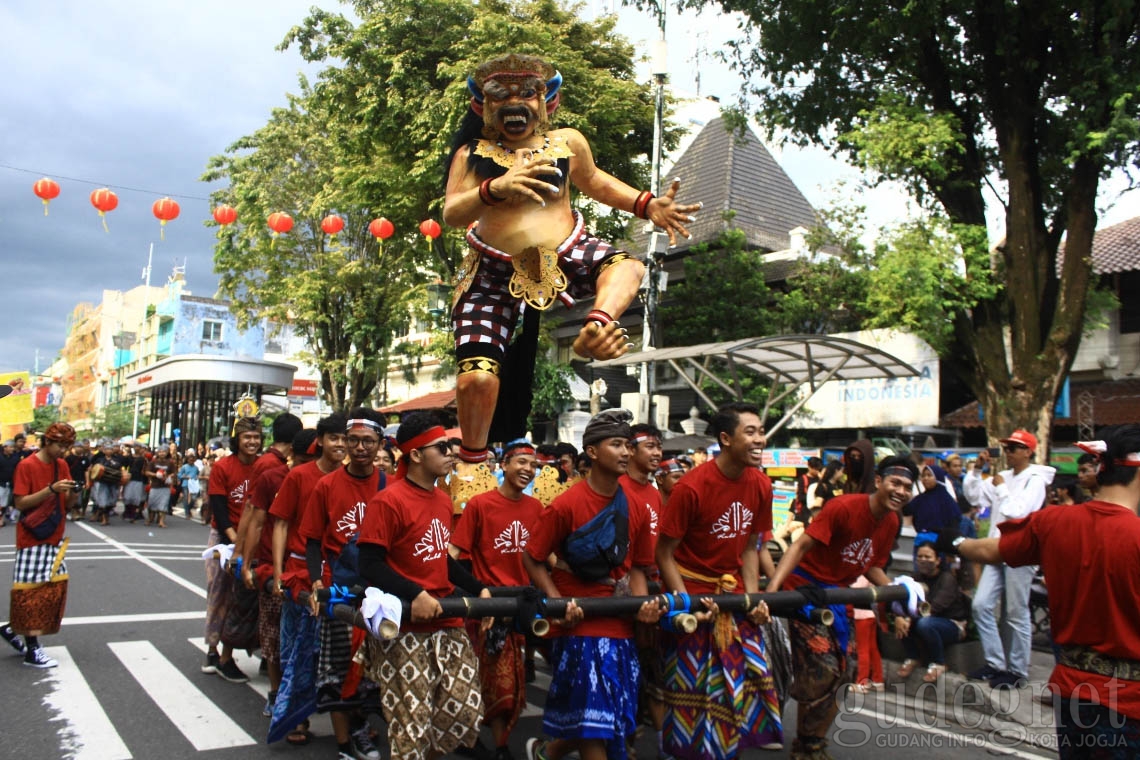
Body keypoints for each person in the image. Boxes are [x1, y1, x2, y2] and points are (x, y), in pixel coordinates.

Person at [442, 52, 698, 466]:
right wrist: (497, 187)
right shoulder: (472, 153)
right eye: (500, 94)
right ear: (483, 106)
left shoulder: (566, 142)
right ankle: (473, 465)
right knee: (477, 377)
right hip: (490, 273)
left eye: (528, 93)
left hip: (564, 252)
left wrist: (645, 205)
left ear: (549, 101)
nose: (515, 103)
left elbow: (595, 182)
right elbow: (453, 214)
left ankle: (595, 329)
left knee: (627, 266)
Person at [939, 425, 1140, 758]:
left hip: (1072, 692)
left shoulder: (1053, 522)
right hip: (1128, 702)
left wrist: (955, 542)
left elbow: (990, 550)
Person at [522, 409, 661, 760]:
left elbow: (640, 569)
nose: (627, 452)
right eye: (617, 445)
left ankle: (545, 754)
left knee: (608, 723)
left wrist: (641, 607)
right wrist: (556, 602)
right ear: (593, 452)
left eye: (628, 445)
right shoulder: (566, 505)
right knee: (593, 727)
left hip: (621, 628)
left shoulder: (638, 507)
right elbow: (533, 558)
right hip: (580, 627)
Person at [356, 411, 490, 760]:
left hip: (447, 621)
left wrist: (479, 589)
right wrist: (415, 593)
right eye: (442, 447)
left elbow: (439, 559)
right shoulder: (389, 500)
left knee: (462, 713)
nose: (452, 453)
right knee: (412, 725)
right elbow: (369, 563)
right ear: (415, 454)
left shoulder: (443, 500)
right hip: (405, 628)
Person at [767, 456, 919, 760]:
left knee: (846, 673)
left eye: (907, 486)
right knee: (822, 670)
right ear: (878, 481)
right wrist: (772, 594)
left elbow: (873, 566)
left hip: (837, 597)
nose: (901, 491)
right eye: (895, 482)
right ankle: (804, 742)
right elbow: (800, 546)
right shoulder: (844, 507)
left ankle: (814, 742)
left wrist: (899, 600)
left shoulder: (891, 521)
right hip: (804, 592)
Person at [656, 402, 782, 759]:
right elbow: (663, 554)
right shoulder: (691, 487)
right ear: (726, 439)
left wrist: (754, 599)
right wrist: (685, 606)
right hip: (693, 598)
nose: (760, 439)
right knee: (693, 698)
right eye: (751, 432)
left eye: (761, 431)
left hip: (732, 598)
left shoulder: (760, 485)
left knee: (743, 689)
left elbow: (749, 548)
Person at [449, 439, 544, 760]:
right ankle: (471, 738)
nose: (527, 470)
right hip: (484, 607)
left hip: (519, 607)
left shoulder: (536, 509)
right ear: (503, 465)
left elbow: (546, 557)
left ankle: (501, 746)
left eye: (532, 465)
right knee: (478, 678)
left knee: (511, 684)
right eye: (521, 463)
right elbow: (455, 554)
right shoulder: (479, 505)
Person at [300, 408, 385, 760]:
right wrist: (317, 581)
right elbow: (312, 541)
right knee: (337, 670)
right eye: (354, 441)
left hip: (380, 595)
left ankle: (361, 727)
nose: (360, 447)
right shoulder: (327, 485)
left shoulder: (389, 486)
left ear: (381, 444)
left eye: (368, 441)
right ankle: (342, 744)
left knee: (371, 671)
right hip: (340, 592)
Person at [269, 413, 347, 748]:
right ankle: (295, 716)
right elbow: (281, 525)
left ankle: (347, 718)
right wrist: (277, 572)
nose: (341, 445)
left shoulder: (355, 478)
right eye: (334, 438)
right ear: (321, 442)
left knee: (335, 652)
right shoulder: (299, 476)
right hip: (301, 574)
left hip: (341, 575)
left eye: (346, 438)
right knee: (296, 650)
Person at [962, 429, 1054, 690]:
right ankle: (995, 663)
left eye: (1014, 448)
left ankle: (1017, 669)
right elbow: (974, 497)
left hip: (1020, 553)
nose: (1009, 453)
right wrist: (976, 471)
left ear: (1028, 451)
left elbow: (1018, 512)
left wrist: (1001, 487)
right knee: (981, 605)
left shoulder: (1034, 479)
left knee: (1015, 613)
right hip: (996, 549)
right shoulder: (1005, 477)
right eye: (1007, 448)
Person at [241, 419, 306, 721]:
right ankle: (276, 692)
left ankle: (301, 698)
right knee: (274, 635)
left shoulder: (325, 480)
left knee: (303, 640)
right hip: (272, 566)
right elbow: (255, 519)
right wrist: (245, 562)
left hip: (309, 571)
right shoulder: (271, 476)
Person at [3, 423, 79, 668]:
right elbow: (21, 503)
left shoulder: (62, 465)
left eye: (67, 446)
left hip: (55, 533)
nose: (63, 451)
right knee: (30, 591)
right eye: (60, 445)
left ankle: (14, 629)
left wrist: (74, 492)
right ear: (47, 442)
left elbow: (67, 505)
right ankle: (32, 649)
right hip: (32, 536)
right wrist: (50, 490)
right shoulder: (27, 465)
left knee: (53, 587)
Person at [203, 416, 263, 683]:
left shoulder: (264, 467)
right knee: (220, 593)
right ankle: (214, 650)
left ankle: (258, 649)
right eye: (247, 437)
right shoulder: (223, 467)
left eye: (256, 437)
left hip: (252, 540)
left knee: (252, 596)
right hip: (224, 537)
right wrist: (235, 541)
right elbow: (218, 506)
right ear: (237, 439)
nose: (252, 442)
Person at [894, 541, 971, 686]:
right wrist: (900, 617)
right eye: (920, 556)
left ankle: (939, 662)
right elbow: (902, 601)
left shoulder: (947, 579)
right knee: (899, 621)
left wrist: (909, 617)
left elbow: (935, 607)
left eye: (928, 557)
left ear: (937, 560)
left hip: (951, 624)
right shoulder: (915, 578)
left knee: (925, 623)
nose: (923, 560)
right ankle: (913, 657)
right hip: (923, 620)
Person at [904, 465, 962, 537]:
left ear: (938, 477)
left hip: (942, 542)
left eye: (929, 475)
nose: (925, 478)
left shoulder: (947, 501)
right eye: (923, 476)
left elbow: (955, 521)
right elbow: (906, 511)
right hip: (921, 540)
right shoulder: (920, 499)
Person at [849, 575, 883, 693]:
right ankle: (877, 680)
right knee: (872, 648)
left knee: (862, 649)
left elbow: (855, 589)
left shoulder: (863, 573)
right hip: (870, 615)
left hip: (861, 615)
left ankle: (861, 682)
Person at [144, 450, 172, 528]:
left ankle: (161, 521)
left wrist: (167, 475)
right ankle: (150, 518)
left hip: (165, 486)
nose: (162, 453)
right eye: (160, 452)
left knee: (164, 504)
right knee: (151, 504)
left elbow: (174, 473)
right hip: (155, 486)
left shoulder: (170, 463)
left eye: (164, 452)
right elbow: (147, 472)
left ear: (166, 453)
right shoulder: (153, 462)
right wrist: (156, 474)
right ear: (157, 453)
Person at [0, 439, 21, 528]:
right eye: (11, 447)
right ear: (5, 447)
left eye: (13, 447)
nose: (12, 449)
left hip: (10, 484)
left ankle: (1, 518)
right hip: (1, 483)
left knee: (5, 503)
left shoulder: (15, 458)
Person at [796, 456, 823, 523]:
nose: (817, 471)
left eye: (818, 469)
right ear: (809, 467)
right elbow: (800, 496)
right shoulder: (803, 479)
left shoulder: (820, 478)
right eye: (815, 468)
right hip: (806, 511)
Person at [178, 451, 201, 518]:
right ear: (187, 460)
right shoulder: (184, 467)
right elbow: (179, 475)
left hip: (193, 485)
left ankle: (189, 508)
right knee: (186, 498)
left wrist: (197, 477)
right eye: (190, 460)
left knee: (193, 498)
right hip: (186, 484)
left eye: (192, 460)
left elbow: (198, 474)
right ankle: (187, 513)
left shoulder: (196, 468)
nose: (191, 461)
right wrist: (184, 477)